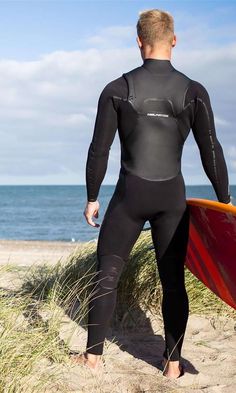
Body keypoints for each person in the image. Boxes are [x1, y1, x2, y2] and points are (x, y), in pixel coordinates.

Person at [70, 9, 232, 378]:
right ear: (174, 40)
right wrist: (224, 201)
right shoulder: (194, 91)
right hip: (171, 197)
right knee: (172, 280)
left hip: (130, 196)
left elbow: (99, 150)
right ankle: (172, 365)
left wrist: (92, 197)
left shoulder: (116, 89)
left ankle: (92, 358)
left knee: (108, 273)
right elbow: (211, 149)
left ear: (139, 42)